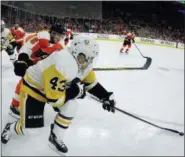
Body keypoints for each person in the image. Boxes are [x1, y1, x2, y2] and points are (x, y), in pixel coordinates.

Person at [1, 35, 116, 155]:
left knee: (72, 105)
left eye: (91, 59)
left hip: (50, 90)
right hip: (34, 90)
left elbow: (90, 83)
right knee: (31, 132)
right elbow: (54, 100)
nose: (88, 63)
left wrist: (105, 96)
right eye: (84, 58)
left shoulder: (80, 61)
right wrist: (76, 92)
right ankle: (11, 126)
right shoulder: (61, 64)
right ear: (76, 53)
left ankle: (56, 136)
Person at [8, 24, 66, 128]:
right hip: (30, 62)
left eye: (60, 36)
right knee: (24, 82)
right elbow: (25, 49)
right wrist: (22, 60)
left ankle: (53, 101)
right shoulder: (39, 38)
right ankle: (14, 105)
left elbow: (61, 59)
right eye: (55, 34)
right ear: (50, 32)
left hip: (43, 66)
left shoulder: (60, 46)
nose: (57, 38)